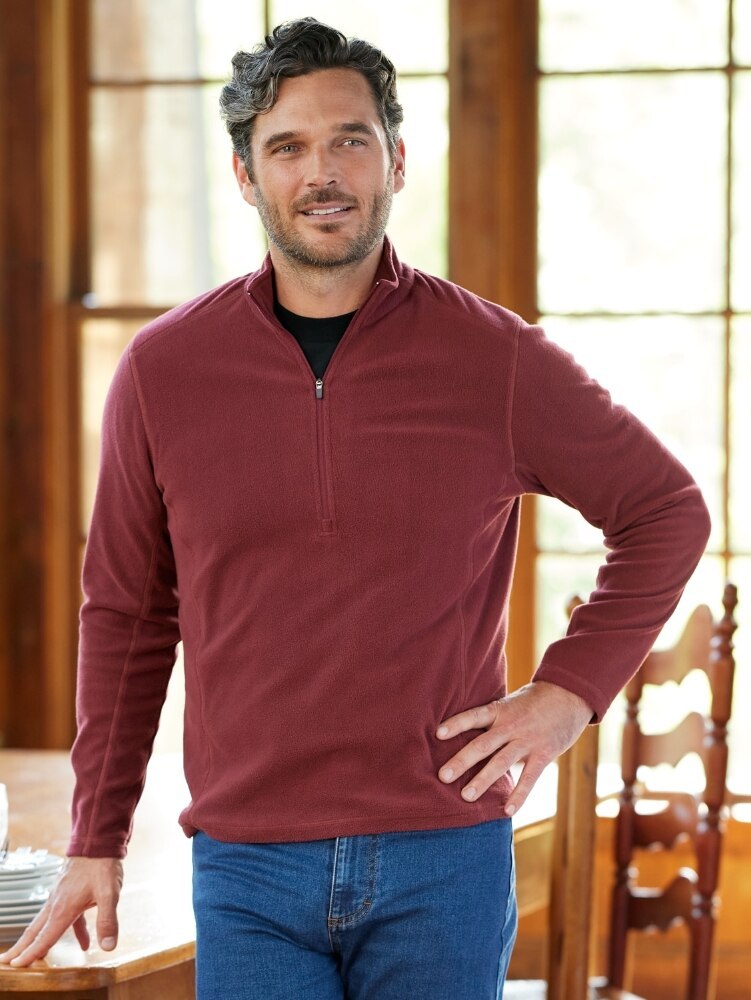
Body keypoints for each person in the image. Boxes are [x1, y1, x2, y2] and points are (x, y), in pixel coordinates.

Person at [0, 17, 710, 999]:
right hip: (248, 867)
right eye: (287, 147)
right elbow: (126, 617)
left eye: (349, 140)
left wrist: (565, 694)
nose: (321, 173)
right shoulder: (162, 371)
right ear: (245, 175)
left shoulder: (495, 359)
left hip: (443, 859)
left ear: (396, 161)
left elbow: (667, 510)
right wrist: (96, 836)